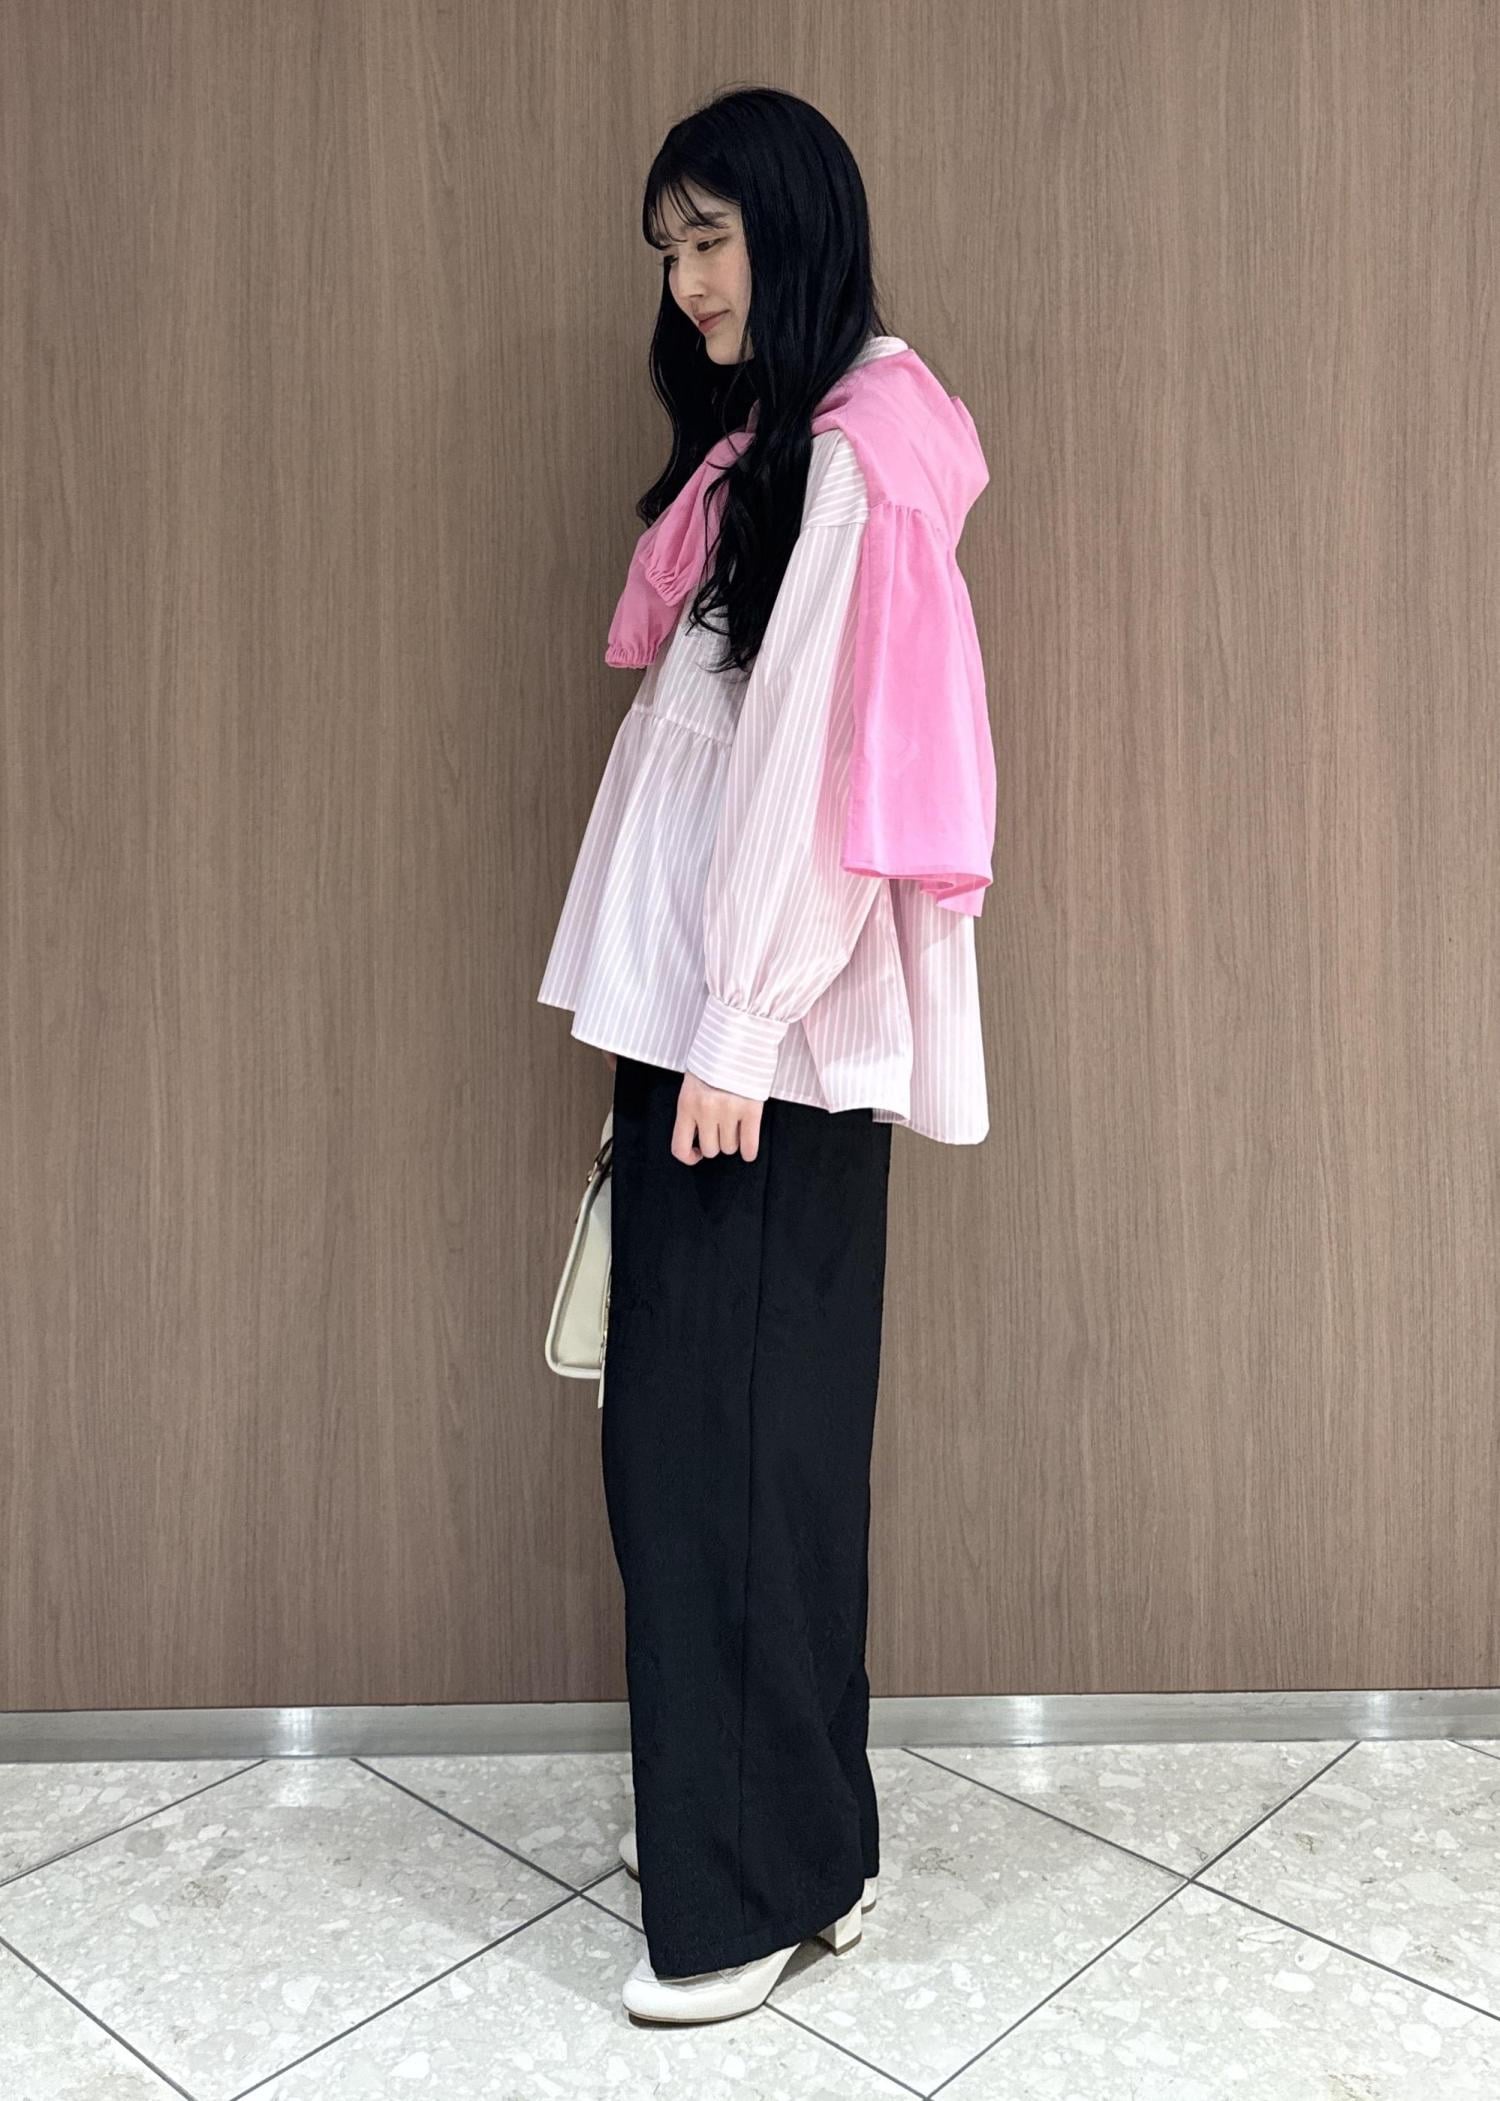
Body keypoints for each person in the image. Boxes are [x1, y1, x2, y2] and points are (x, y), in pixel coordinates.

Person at [536, 84, 994, 2024]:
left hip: (757, 1042)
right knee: (750, 1447)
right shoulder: (794, 443)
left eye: (711, 239)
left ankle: (745, 1895)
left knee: (714, 1454)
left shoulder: (849, 464)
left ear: (796, 229)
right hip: (729, 1028)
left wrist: (730, 1026)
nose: (688, 283)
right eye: (669, 250)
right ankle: (804, 1841)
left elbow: (820, 774)